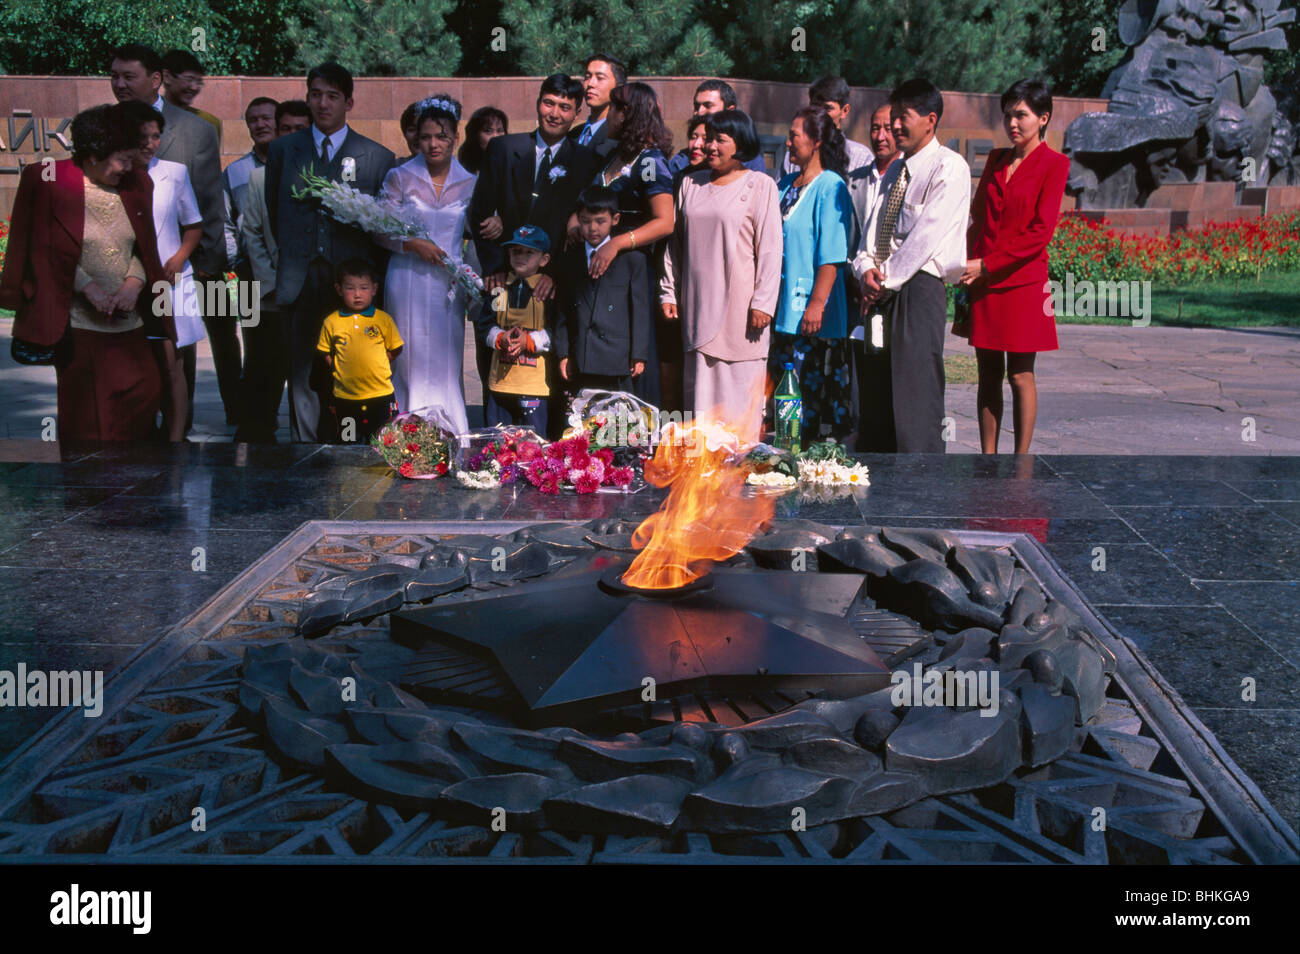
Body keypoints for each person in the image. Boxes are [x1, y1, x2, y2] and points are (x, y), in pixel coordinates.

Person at [0, 104, 168, 441]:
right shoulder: (47, 179)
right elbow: (39, 246)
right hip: (78, 327)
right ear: (92, 156)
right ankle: (87, 494)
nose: (129, 165)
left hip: (129, 324)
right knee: (89, 424)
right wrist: (88, 288)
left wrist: (134, 283)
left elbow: (145, 246)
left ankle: (140, 493)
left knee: (144, 401)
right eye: (122, 158)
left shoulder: (138, 183)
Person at [264, 61, 397, 443]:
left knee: (352, 366)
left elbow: (381, 228)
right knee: (303, 367)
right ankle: (306, 448)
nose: (323, 104)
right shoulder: (283, 150)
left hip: (352, 280)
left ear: (349, 102)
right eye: (316, 95)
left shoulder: (375, 156)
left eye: (333, 96)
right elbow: (277, 211)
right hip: (300, 276)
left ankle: (351, 443)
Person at [852, 78, 970, 453]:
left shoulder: (948, 168)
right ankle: (879, 477)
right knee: (876, 386)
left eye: (903, 118)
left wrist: (884, 280)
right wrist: (865, 269)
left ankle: (920, 486)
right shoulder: (893, 172)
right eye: (891, 119)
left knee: (915, 389)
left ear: (930, 120)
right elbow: (871, 235)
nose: (894, 127)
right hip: (880, 293)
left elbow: (925, 238)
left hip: (917, 290)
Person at [960, 78, 1070, 455]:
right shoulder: (995, 160)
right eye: (1008, 115)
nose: (1013, 123)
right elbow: (977, 216)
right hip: (983, 283)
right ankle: (987, 458)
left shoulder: (1055, 165)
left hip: (1023, 284)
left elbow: (1040, 233)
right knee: (987, 374)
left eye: (1021, 115)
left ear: (1043, 118)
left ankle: (1022, 461)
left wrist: (987, 265)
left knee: (1020, 374)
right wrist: (968, 265)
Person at [661, 111, 783, 445]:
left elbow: (771, 250)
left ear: (740, 143)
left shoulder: (761, 186)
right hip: (698, 310)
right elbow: (676, 246)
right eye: (706, 138)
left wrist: (763, 303)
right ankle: (702, 483)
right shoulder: (690, 184)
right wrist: (669, 292)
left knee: (738, 412)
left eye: (719, 140)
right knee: (701, 409)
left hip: (743, 314)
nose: (709, 146)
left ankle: (739, 481)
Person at [375, 94, 476, 438]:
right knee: (410, 358)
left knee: (446, 360)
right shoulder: (399, 177)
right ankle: (409, 434)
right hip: (406, 277)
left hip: (447, 282)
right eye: (426, 136)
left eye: (442, 136)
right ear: (416, 138)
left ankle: (449, 432)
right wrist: (412, 244)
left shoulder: (470, 182)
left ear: (455, 138)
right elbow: (378, 230)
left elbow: (479, 226)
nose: (433, 144)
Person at [570, 81, 674, 408]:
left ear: (628, 113)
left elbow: (665, 221)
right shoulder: (613, 155)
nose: (608, 114)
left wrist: (616, 244)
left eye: (614, 107)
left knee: (629, 368)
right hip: (597, 271)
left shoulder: (649, 162)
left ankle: (628, 446)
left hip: (631, 273)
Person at [771, 105, 855, 443]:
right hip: (782, 313)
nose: (788, 142)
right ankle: (783, 461)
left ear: (816, 140)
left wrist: (816, 304)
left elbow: (832, 253)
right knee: (783, 397)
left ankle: (810, 470)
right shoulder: (786, 185)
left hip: (813, 317)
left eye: (794, 135)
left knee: (810, 398)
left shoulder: (830, 186)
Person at [468, 74, 598, 289]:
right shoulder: (503, 149)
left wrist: (553, 273)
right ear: (538, 104)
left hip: (551, 282)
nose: (554, 114)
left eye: (564, 107)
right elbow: (481, 211)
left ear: (577, 114)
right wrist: (495, 267)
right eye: (549, 104)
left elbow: (577, 228)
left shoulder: (585, 161)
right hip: (503, 274)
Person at [123, 100, 204, 442]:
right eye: (143, 136)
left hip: (171, 280)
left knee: (173, 364)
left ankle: (175, 439)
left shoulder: (175, 172)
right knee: (137, 363)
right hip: (129, 282)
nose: (150, 143)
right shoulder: (117, 174)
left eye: (155, 136)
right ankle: (139, 435)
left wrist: (178, 257)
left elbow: (194, 224)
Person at [235, 100, 312, 443]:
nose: (292, 136)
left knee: (308, 377)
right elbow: (250, 232)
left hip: (313, 293)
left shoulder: (322, 176)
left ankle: (308, 440)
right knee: (263, 373)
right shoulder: (257, 178)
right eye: (286, 129)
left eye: (301, 129)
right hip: (268, 297)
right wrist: (271, 283)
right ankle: (257, 444)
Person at [556, 186, 650, 395]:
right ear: (578, 220)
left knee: (619, 421)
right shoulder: (570, 258)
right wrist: (563, 353)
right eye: (586, 221)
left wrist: (639, 354)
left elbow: (640, 310)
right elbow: (562, 310)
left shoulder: (632, 259)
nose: (592, 228)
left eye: (600, 221)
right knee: (581, 421)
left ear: (615, 219)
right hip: (582, 355)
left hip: (617, 359)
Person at [850, 102, 904, 453]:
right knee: (861, 366)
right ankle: (864, 438)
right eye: (874, 127)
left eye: (887, 128)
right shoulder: (855, 178)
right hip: (857, 285)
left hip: (894, 288)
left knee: (891, 367)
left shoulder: (906, 176)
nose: (880, 135)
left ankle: (890, 442)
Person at [476, 226, 556, 434]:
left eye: (529, 252)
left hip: (533, 386)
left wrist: (528, 341)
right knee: (498, 441)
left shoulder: (548, 291)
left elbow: (557, 328)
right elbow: (485, 324)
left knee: (533, 443)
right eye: (516, 251)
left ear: (544, 259)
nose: (522, 257)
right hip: (500, 384)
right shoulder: (499, 288)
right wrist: (500, 337)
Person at [316, 259, 403, 444]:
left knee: (382, 442)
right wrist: (337, 368)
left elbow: (396, 347)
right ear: (339, 290)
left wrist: (380, 360)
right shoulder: (332, 322)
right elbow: (324, 350)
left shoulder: (382, 319)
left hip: (380, 396)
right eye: (350, 288)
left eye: (363, 288)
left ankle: (381, 471)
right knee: (348, 441)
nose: (357, 294)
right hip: (346, 398)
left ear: (374, 289)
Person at [223, 96, 278, 285]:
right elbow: (225, 222)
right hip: (249, 268)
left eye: (266, 118)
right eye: (253, 120)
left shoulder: (296, 164)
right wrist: (234, 262)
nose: (260, 124)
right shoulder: (234, 172)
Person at [667, 80, 767, 176]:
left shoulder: (749, 163)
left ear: (730, 110)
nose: (699, 112)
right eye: (696, 106)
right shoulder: (683, 160)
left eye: (708, 105)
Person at [570, 54, 625, 159]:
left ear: (619, 87)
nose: (590, 83)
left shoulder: (621, 137)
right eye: (587, 77)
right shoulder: (574, 134)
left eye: (600, 78)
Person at [161, 49, 222, 134]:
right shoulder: (146, 118)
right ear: (166, 77)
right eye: (189, 79)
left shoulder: (208, 123)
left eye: (199, 82)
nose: (195, 87)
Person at [458, 106, 508, 174]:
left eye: (500, 131)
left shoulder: (512, 162)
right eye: (488, 131)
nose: (495, 136)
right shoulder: (463, 167)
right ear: (475, 135)